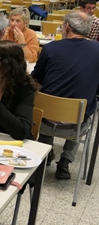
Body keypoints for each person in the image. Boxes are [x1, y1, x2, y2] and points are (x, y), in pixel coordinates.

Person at [32, 11, 99, 179]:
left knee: (45, 99)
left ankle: (46, 152)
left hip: (44, 121)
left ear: (67, 27)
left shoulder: (50, 48)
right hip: (75, 125)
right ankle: (65, 162)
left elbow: (35, 79)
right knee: (83, 107)